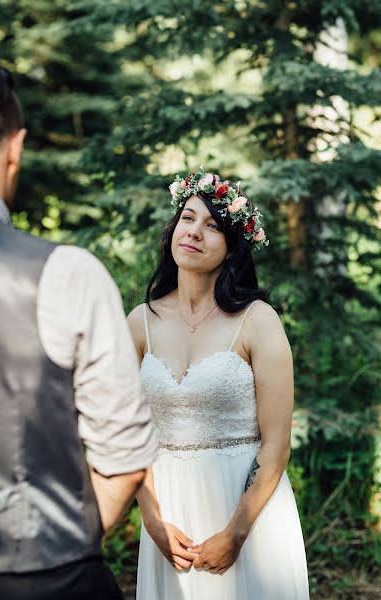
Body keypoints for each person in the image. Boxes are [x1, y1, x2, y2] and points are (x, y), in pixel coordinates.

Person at [0, 62, 157, 600]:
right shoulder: (68, 273)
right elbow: (124, 457)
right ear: (17, 147)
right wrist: (58, 550)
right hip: (45, 577)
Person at [128, 168, 310, 599]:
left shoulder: (257, 321)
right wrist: (153, 521)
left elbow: (276, 443)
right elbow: (126, 431)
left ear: (231, 250)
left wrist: (237, 533)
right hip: (167, 513)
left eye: (212, 226)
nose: (194, 232)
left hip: (245, 512)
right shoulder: (141, 322)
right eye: (187, 218)